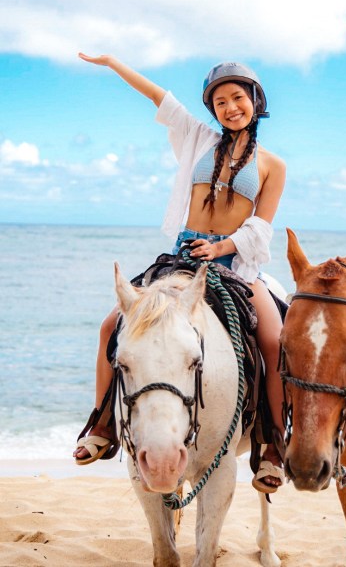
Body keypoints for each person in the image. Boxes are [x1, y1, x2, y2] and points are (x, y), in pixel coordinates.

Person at [73, 55, 286, 493]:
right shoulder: (196, 137)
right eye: (221, 101)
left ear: (255, 101)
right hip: (182, 258)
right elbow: (158, 96)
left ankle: (273, 442)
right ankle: (103, 425)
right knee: (112, 325)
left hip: (236, 265)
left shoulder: (272, 165)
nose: (231, 108)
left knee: (274, 340)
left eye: (238, 98)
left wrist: (224, 246)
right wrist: (115, 62)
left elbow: (262, 226)